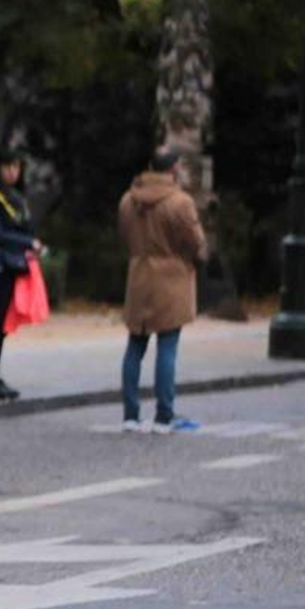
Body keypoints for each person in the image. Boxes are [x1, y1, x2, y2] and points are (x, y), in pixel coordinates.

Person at [119, 148, 207, 434]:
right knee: (167, 346)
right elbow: (196, 242)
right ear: (174, 169)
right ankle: (163, 415)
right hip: (171, 279)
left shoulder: (128, 201)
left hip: (138, 276)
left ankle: (131, 415)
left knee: (135, 346)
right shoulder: (180, 202)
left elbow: (124, 236)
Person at [0, 147, 43, 400]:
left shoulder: (14, 196)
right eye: (7, 167)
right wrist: (27, 243)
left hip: (8, 266)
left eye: (16, 167)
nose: (13, 172)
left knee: (1, 327)